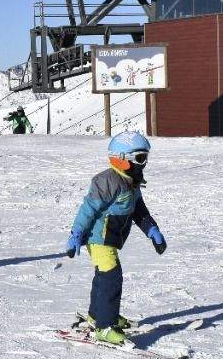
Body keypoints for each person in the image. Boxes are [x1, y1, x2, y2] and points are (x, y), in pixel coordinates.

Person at [64, 132, 167, 346]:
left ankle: (98, 314)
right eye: (140, 158)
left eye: (145, 158)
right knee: (111, 276)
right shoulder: (106, 182)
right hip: (98, 238)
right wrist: (76, 234)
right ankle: (105, 327)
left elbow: (139, 211)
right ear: (121, 158)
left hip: (111, 238)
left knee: (103, 276)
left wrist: (152, 231)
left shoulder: (131, 182)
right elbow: (87, 210)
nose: (144, 164)